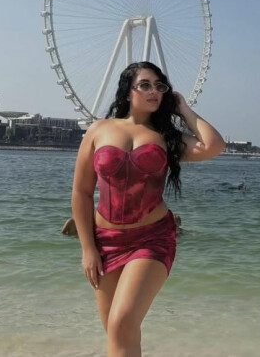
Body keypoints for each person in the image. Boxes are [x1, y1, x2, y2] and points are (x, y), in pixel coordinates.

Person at [71, 61, 225, 356]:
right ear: (128, 91)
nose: (154, 91)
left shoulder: (167, 138)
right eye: (145, 85)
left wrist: (183, 109)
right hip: (105, 243)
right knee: (118, 333)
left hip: (151, 239)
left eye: (159, 86)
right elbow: (81, 192)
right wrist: (88, 249)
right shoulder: (99, 130)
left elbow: (213, 145)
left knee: (121, 324)